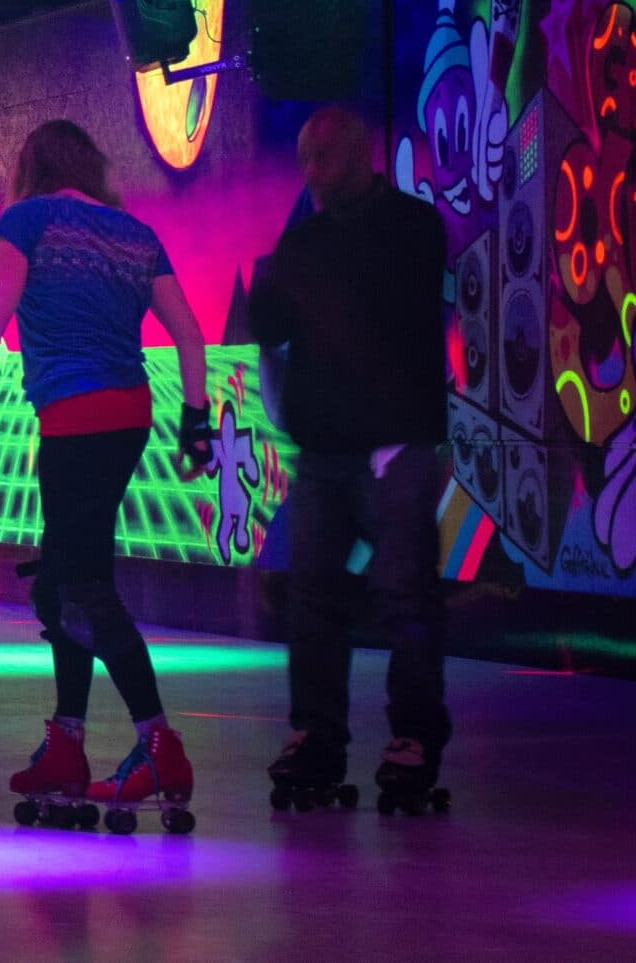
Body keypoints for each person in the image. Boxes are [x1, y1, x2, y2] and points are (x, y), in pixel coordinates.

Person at [0, 119, 213, 815]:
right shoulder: (135, 233)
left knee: (78, 589)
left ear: (31, 167)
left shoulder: (29, 217)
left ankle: (159, 744)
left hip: (74, 422)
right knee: (67, 581)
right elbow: (190, 333)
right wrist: (194, 422)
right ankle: (68, 741)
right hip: (127, 420)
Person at [249, 106, 453, 809]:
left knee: (405, 592)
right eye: (305, 159)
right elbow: (268, 327)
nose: (312, 173)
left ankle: (414, 735)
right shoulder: (303, 244)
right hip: (326, 447)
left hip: (396, 441)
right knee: (312, 598)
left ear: (362, 157)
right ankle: (317, 735)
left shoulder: (411, 228)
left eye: (324, 159)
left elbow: (401, 315)